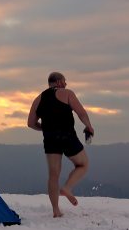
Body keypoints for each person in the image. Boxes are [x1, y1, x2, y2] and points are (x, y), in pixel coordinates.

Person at [27, 72, 94, 218]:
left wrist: (44, 128)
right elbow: (81, 112)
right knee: (83, 164)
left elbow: (30, 123)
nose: (66, 84)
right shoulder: (67, 93)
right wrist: (89, 126)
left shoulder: (38, 99)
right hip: (67, 136)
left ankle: (56, 211)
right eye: (64, 81)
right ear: (58, 82)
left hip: (50, 139)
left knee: (53, 175)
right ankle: (67, 188)